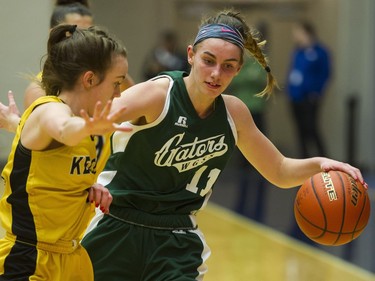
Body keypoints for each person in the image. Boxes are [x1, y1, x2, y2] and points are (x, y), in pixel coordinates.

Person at [81, 9, 366, 280]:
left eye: (228, 66)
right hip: (116, 222)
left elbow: (278, 169)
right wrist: (84, 179)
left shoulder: (234, 114)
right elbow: (84, 125)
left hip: (176, 238)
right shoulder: (156, 95)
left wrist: (320, 165)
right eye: (209, 60)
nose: (217, 73)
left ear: (239, 69)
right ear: (191, 55)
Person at [0, 24, 131, 280]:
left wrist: (85, 186)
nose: (119, 93)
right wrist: (86, 126)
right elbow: (63, 128)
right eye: (116, 83)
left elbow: (55, 158)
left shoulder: (90, 127)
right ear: (90, 79)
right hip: (30, 259)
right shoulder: (51, 110)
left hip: (72, 259)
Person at [23, 1, 135, 109]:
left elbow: (136, 108)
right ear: (56, 32)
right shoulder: (37, 90)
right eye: (74, 33)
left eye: (89, 34)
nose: (83, 41)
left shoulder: (109, 75)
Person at [225, 24, 268, 221]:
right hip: (242, 108)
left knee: (260, 149)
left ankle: (257, 172)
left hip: (257, 109)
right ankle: (243, 172)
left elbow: (260, 78)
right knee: (241, 150)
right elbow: (237, 79)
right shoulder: (241, 57)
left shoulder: (260, 59)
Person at [286, 20, 331, 158]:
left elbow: (325, 73)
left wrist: (316, 92)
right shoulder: (297, 51)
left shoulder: (320, 52)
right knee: (300, 130)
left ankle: (323, 158)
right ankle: (303, 160)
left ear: (306, 32)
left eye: (297, 32)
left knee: (311, 128)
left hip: (310, 97)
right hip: (295, 96)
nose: (295, 35)